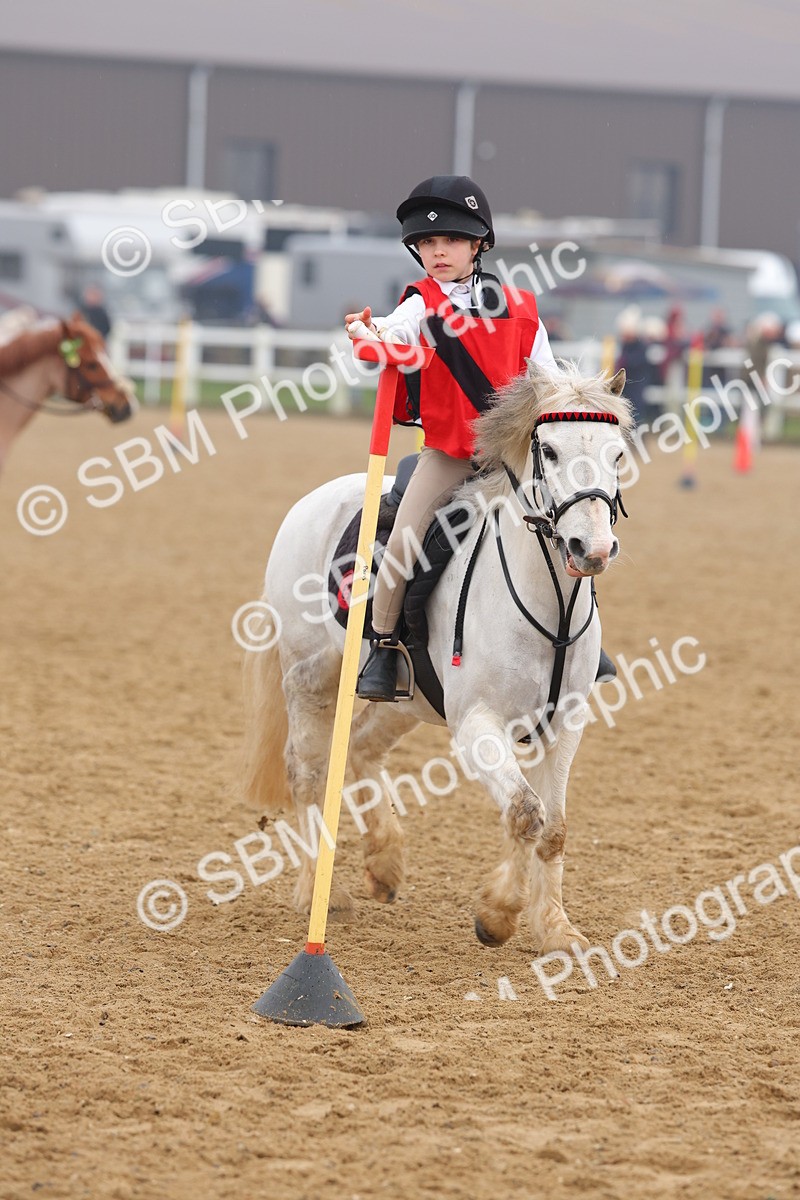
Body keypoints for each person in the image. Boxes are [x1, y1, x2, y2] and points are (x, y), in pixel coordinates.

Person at [344, 175, 559, 701]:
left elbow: (548, 384)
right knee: (403, 541)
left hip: (512, 458)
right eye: (427, 244)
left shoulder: (523, 309)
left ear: (477, 245)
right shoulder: (421, 303)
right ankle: (385, 644)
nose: (438, 253)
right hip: (450, 456)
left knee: (574, 520)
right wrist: (365, 332)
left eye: (451, 242)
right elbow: (391, 331)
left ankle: (580, 643)